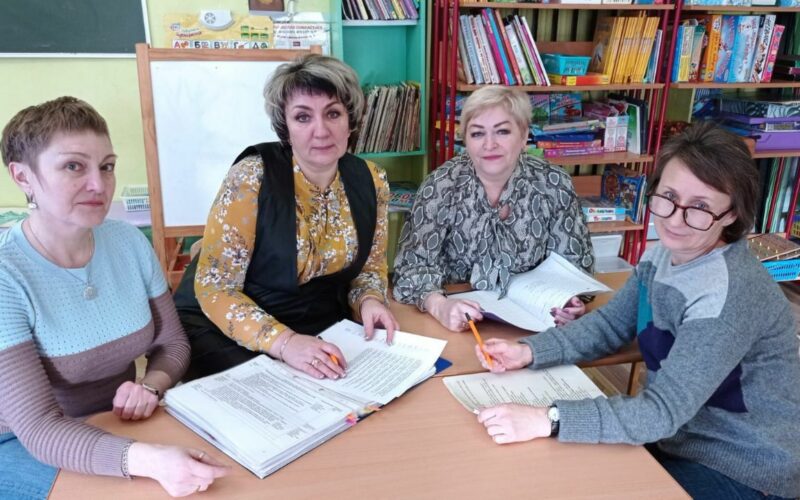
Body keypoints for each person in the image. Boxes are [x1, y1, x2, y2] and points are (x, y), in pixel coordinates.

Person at [472, 122, 800, 500]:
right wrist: (529, 351)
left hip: (744, 465)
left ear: (730, 215)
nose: (674, 219)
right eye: (668, 197)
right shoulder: (664, 254)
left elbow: (660, 412)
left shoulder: (727, 292)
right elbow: (611, 325)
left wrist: (548, 418)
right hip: (677, 439)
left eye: (700, 207)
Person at [0, 97, 229, 498]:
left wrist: (151, 386)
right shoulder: (7, 274)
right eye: (74, 166)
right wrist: (151, 460)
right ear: (23, 176)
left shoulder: (128, 241)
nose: (99, 184)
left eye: (106, 166)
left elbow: (172, 344)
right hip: (25, 443)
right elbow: (38, 428)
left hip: (121, 425)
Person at [174, 53, 398, 381]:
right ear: (286, 127)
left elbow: (370, 268)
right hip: (228, 325)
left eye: (333, 113)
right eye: (303, 117)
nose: (321, 131)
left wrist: (369, 301)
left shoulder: (373, 180)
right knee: (278, 396)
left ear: (350, 120)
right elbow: (215, 287)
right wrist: (285, 342)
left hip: (318, 322)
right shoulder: (251, 178)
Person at [393, 86, 594, 332]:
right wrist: (439, 306)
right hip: (458, 320)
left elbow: (574, 265)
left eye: (502, 131)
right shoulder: (441, 185)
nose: (489, 144)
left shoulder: (553, 183)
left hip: (534, 320)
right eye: (477, 134)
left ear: (523, 136)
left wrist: (569, 301)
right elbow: (411, 267)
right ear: (466, 140)